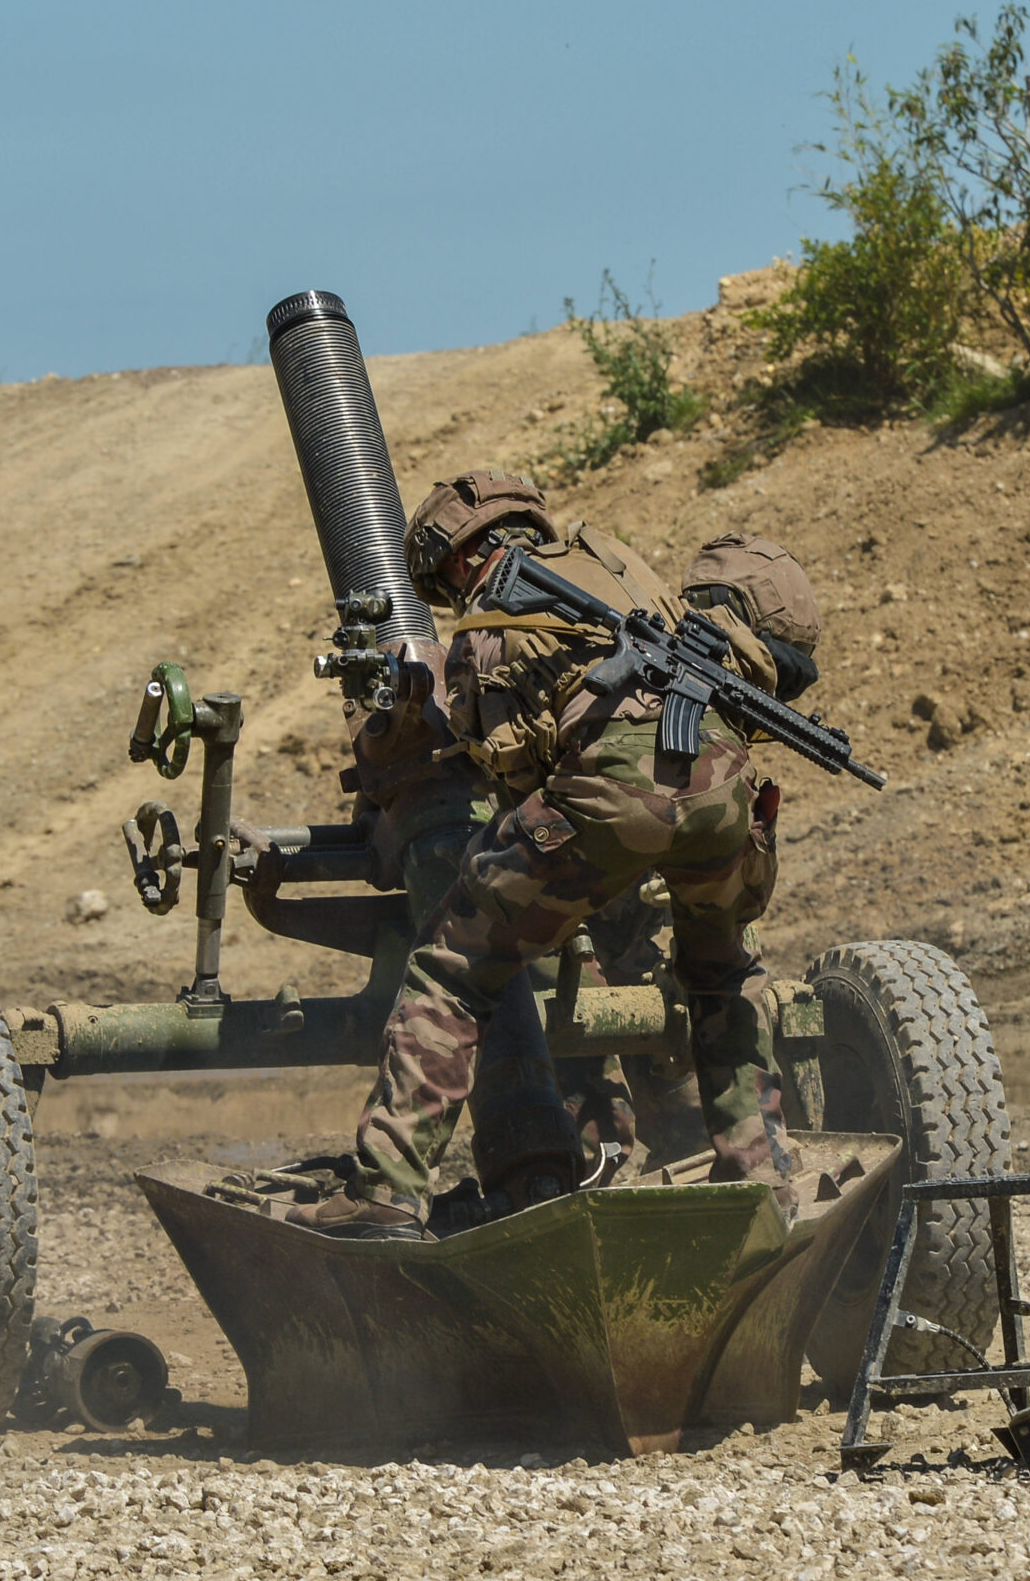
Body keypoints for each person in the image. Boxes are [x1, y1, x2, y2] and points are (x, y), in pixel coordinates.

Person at [287, 472, 793, 1235]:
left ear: (457, 560)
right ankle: (764, 1181)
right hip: (729, 796)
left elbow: (513, 773)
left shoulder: (490, 624)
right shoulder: (615, 563)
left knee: (452, 970)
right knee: (724, 977)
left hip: (613, 799)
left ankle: (383, 1192)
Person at [555, 531, 827, 1168]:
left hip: (639, 926)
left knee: (686, 1133)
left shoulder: (711, 716)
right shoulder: (606, 665)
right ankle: (581, 1151)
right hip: (557, 890)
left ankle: (747, 1155)